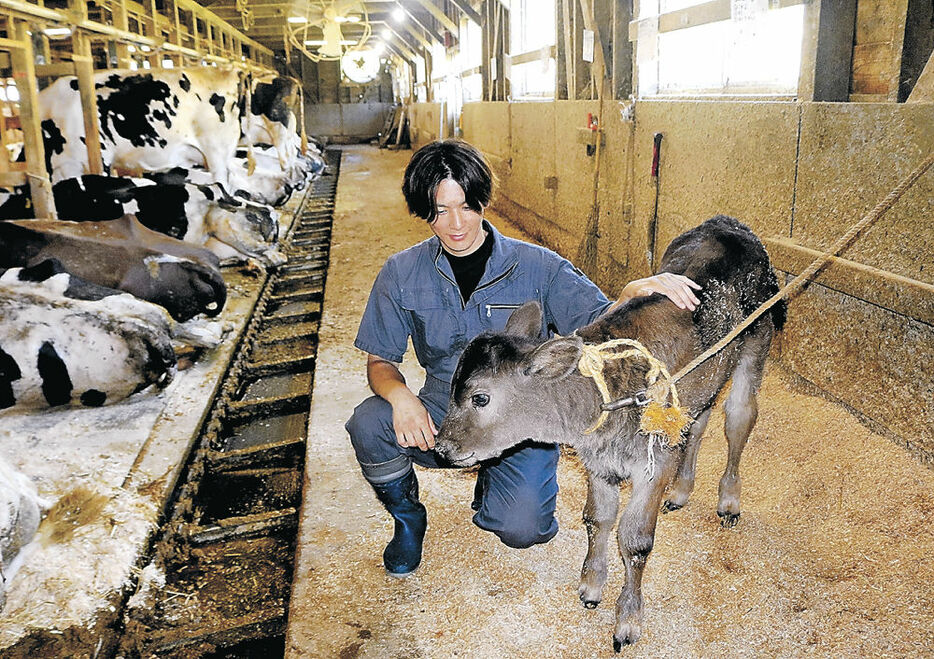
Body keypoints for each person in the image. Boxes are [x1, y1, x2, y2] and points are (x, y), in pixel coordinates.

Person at [346, 139, 701, 576]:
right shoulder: (401, 272)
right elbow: (379, 360)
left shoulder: (539, 266)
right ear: (424, 210)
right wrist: (401, 397)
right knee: (368, 422)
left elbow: (599, 328)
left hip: (522, 415)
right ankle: (406, 519)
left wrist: (631, 293)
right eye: (440, 211)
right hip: (446, 407)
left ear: (483, 200)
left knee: (523, 529)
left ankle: (495, 486)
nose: (455, 224)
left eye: (466, 206)